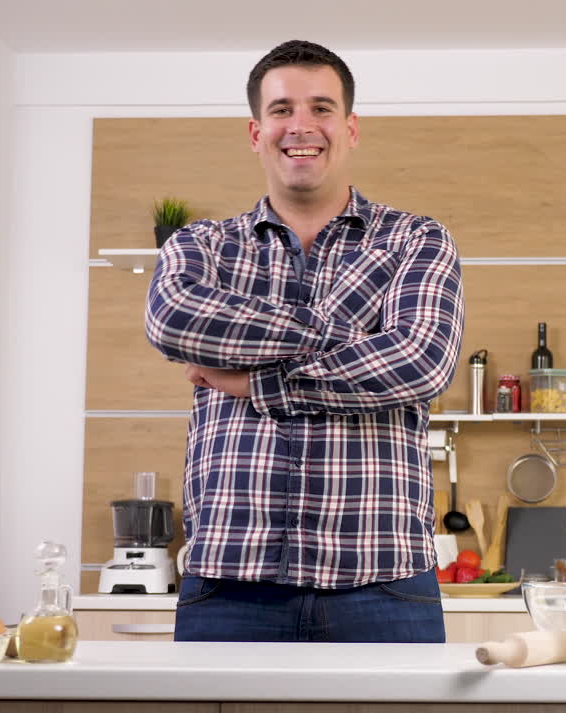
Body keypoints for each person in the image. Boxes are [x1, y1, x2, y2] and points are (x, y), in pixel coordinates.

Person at [144, 40, 464, 643]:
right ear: (256, 131)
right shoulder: (201, 245)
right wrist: (348, 335)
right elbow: (172, 320)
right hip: (229, 582)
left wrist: (259, 382)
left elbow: (420, 362)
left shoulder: (416, 239)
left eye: (321, 108)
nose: (301, 126)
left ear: (350, 127)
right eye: (281, 109)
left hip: (384, 582)